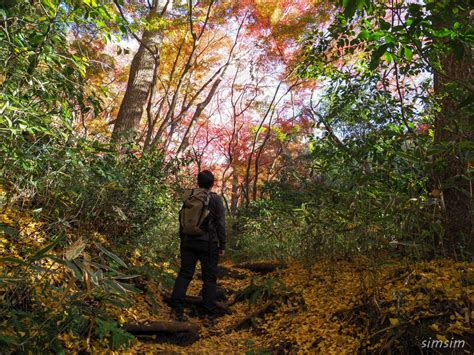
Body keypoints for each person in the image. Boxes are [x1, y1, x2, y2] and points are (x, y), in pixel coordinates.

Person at [170, 170, 226, 321]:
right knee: (209, 279)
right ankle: (208, 314)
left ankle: (177, 310)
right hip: (208, 244)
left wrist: (183, 239)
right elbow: (220, 223)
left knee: (184, 274)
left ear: (198, 182)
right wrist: (222, 245)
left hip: (188, 241)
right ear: (212, 183)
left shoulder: (190, 196)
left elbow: (181, 218)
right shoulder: (215, 199)